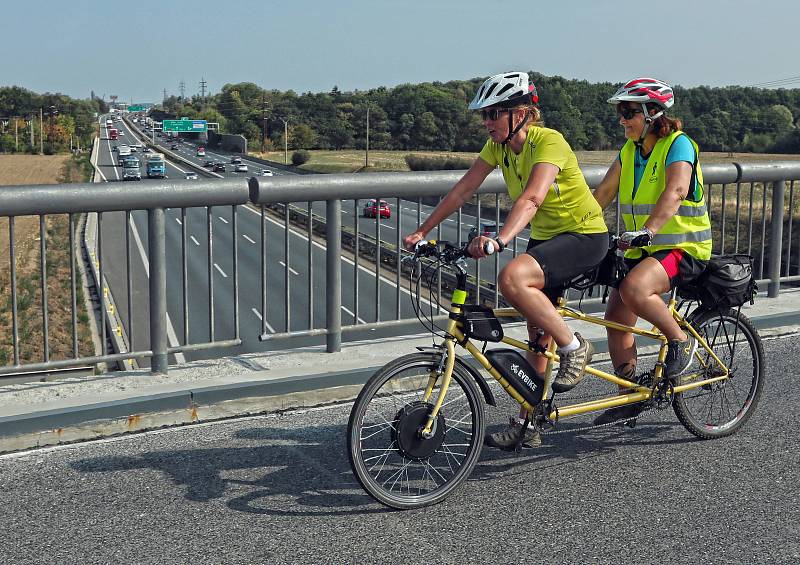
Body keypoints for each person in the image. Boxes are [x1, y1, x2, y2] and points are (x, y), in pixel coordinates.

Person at [403, 71, 609, 450]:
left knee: (512, 279)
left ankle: (575, 346)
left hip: (584, 236)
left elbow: (531, 198)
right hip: (548, 240)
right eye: (483, 115)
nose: (486, 122)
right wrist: (422, 230)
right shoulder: (497, 147)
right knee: (536, 337)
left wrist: (500, 239)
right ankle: (529, 421)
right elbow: (465, 187)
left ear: (523, 113)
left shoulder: (550, 141)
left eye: (494, 113)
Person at [591, 77, 712, 425]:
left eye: (629, 112)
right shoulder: (629, 151)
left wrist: (649, 230)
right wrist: (573, 226)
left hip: (682, 246)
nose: (622, 120)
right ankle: (630, 394)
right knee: (616, 317)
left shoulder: (679, 145)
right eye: (620, 113)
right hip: (642, 250)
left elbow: (675, 191)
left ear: (653, 113)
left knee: (634, 290)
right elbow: (602, 195)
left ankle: (679, 339)